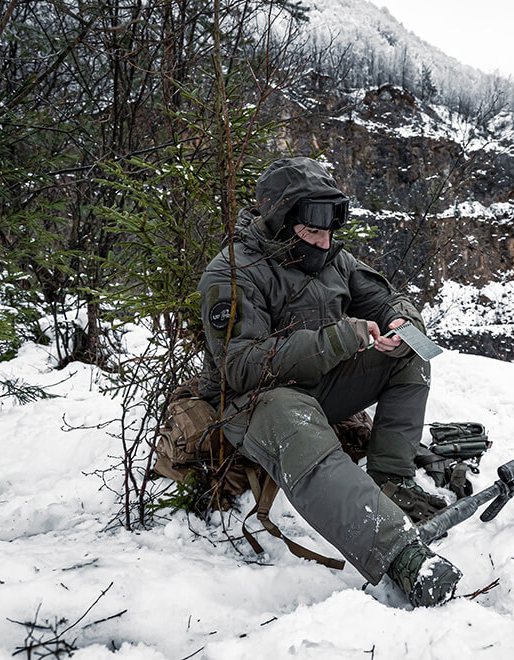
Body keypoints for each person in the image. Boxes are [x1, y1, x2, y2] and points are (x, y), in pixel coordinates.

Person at [196, 157, 462, 607]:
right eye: (312, 231)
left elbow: (386, 297)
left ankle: (391, 480)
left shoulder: (332, 257)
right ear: (282, 221)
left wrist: (401, 321)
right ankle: (397, 552)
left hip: (318, 386)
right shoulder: (231, 274)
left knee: (412, 356)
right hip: (255, 401)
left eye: (329, 232)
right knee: (293, 419)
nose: (324, 241)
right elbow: (239, 366)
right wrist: (338, 339)